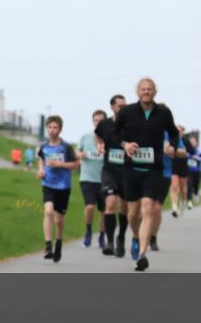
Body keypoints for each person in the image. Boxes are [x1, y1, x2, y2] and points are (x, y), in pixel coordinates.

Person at [111, 78, 180, 271]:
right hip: (131, 169)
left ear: (155, 91)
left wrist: (172, 146)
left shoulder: (163, 113)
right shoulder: (127, 112)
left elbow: (174, 133)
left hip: (153, 170)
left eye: (149, 89)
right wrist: (125, 145)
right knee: (132, 214)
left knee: (147, 209)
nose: (146, 92)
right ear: (137, 91)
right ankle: (135, 236)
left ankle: (142, 254)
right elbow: (114, 135)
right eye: (143, 89)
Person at [37, 116, 79, 263]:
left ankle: (59, 243)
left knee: (59, 219)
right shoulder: (44, 146)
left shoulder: (66, 147)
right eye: (50, 127)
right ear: (47, 129)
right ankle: (48, 246)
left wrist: (60, 164)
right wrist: (41, 170)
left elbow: (75, 164)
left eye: (55, 127)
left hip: (63, 186)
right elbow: (41, 159)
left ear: (60, 129)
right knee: (48, 211)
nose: (52, 130)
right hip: (48, 184)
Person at [94, 94, 128, 257]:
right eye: (120, 106)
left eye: (125, 106)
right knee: (111, 202)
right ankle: (110, 242)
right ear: (112, 108)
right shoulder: (105, 124)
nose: (123, 109)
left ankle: (121, 237)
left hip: (127, 171)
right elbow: (97, 134)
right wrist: (99, 146)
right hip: (109, 170)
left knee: (125, 208)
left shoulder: (131, 125)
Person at [149, 130, 186, 251]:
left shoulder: (171, 134)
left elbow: (183, 152)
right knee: (142, 207)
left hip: (164, 174)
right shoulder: (147, 128)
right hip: (146, 174)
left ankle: (153, 237)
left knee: (157, 208)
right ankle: (140, 235)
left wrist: (173, 150)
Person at [76, 110, 107, 249]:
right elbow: (76, 151)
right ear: (92, 121)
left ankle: (101, 236)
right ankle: (88, 230)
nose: (98, 122)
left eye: (101, 120)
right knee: (89, 207)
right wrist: (81, 155)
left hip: (105, 179)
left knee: (104, 211)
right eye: (95, 120)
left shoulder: (110, 138)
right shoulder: (86, 137)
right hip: (87, 177)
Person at [168, 125, 189, 218]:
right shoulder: (169, 138)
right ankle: (174, 207)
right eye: (177, 130)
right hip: (173, 165)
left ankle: (184, 201)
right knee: (174, 187)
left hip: (183, 165)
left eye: (180, 131)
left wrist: (175, 151)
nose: (178, 132)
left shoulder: (185, 141)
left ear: (183, 132)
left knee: (183, 188)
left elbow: (188, 152)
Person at [186, 136, 201, 207]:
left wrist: (197, 158)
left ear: (196, 143)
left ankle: (196, 193)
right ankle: (189, 201)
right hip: (188, 170)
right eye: (190, 142)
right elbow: (185, 156)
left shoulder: (199, 151)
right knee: (189, 185)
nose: (192, 143)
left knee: (196, 185)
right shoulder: (186, 150)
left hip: (197, 171)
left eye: (193, 142)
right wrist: (191, 156)